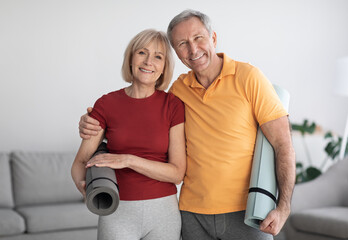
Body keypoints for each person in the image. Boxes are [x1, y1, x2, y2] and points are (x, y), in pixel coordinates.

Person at [79, 10, 296, 240]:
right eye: (182, 43)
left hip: (245, 211)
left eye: (198, 38)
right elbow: (140, 122)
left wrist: (283, 207)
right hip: (192, 215)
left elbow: (283, 144)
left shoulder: (249, 77)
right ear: (176, 53)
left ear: (213, 38)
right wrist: (93, 124)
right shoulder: (178, 91)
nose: (193, 49)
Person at [71, 29, 186, 240]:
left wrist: (128, 160)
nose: (149, 61)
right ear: (131, 58)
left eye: (158, 57)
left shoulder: (173, 105)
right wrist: (87, 191)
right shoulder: (106, 104)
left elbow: (177, 173)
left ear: (164, 67)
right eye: (142, 52)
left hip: (164, 214)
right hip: (116, 213)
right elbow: (80, 162)